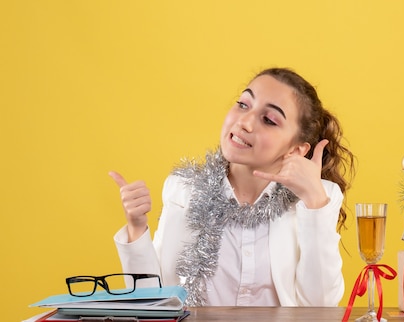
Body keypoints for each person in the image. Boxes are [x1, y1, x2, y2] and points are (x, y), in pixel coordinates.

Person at [110, 67, 355, 307]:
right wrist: (136, 227)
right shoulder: (183, 189)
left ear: (296, 150)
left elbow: (321, 305)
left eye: (269, 120)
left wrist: (314, 202)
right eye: (243, 104)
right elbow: (153, 299)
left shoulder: (319, 197)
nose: (245, 122)